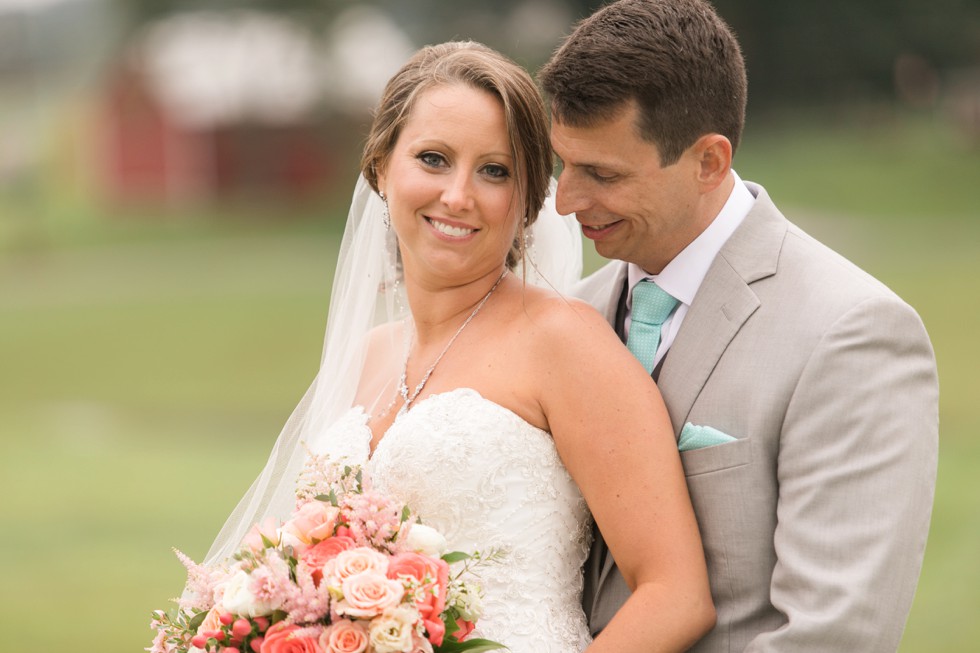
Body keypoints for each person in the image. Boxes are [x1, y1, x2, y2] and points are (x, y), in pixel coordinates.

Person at [202, 41, 715, 652]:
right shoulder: (366, 356)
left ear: (527, 201)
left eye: (494, 171)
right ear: (380, 167)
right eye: (434, 159)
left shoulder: (564, 343)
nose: (458, 195)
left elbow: (675, 594)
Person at [538, 0, 939, 650]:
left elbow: (834, 634)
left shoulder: (852, 333)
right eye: (564, 162)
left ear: (708, 162)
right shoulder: (568, 319)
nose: (565, 200)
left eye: (602, 174)